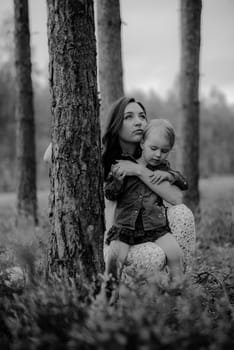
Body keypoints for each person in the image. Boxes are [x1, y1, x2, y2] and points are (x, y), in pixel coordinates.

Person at [104, 119, 187, 294]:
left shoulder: (163, 169)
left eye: (164, 151)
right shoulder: (124, 164)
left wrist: (170, 177)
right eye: (153, 148)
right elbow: (110, 194)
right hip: (125, 226)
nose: (158, 155)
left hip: (155, 226)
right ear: (142, 143)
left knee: (175, 252)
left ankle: (175, 289)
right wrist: (117, 181)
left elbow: (183, 182)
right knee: (115, 257)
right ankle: (109, 292)